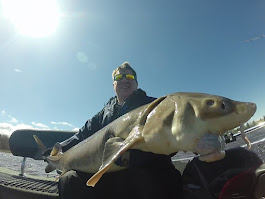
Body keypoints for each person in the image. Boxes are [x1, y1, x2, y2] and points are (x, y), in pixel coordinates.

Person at [56, 62, 182, 199]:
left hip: (146, 171)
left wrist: (130, 158)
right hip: (109, 173)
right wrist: (59, 148)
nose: (124, 80)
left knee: (141, 181)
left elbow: (172, 140)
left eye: (129, 76)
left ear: (136, 83)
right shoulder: (104, 112)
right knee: (69, 179)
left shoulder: (156, 106)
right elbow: (83, 135)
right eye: (119, 77)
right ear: (113, 85)